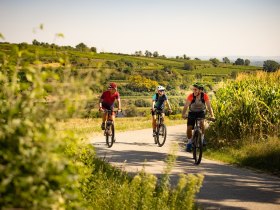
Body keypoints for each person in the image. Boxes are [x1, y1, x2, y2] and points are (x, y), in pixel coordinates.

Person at [182, 82, 215, 152]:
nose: (194, 91)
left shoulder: (204, 96)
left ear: (200, 90)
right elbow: (186, 106)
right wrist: (183, 114)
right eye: (193, 89)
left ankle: (202, 139)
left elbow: (209, 106)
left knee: (202, 123)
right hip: (192, 112)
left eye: (195, 89)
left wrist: (212, 115)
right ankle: (189, 142)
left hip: (201, 112)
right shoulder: (191, 96)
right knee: (189, 128)